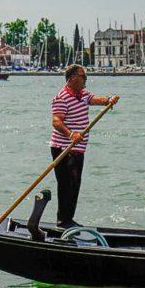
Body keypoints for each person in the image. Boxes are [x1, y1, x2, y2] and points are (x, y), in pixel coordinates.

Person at [50, 64, 119, 228]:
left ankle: (68, 219)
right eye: (83, 76)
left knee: (75, 184)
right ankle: (63, 220)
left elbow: (93, 99)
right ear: (73, 78)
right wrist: (71, 134)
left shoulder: (82, 93)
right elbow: (56, 121)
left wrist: (108, 100)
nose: (86, 79)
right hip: (63, 148)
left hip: (77, 148)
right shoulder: (62, 97)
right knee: (66, 184)